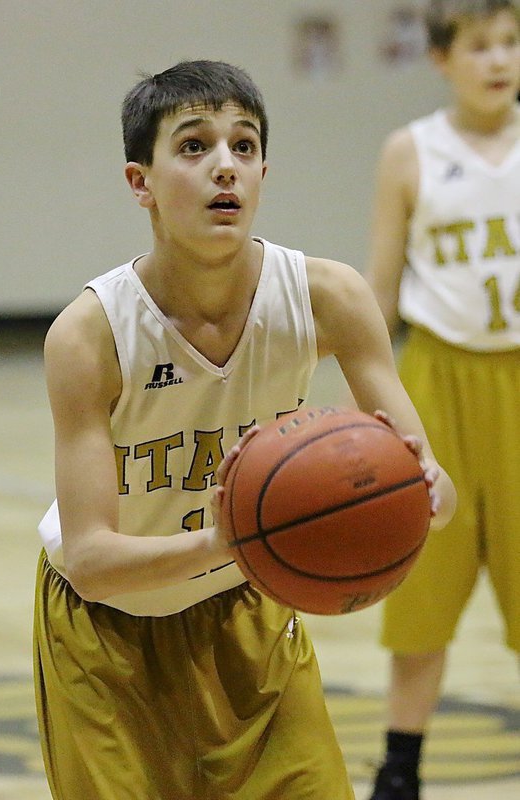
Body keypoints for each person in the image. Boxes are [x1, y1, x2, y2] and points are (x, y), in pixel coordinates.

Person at [32, 59, 456, 800]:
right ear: (142, 183)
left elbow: (434, 494)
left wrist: (421, 489)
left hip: (248, 610)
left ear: (263, 170)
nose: (224, 166)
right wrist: (224, 540)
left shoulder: (329, 297)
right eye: (193, 146)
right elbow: (94, 558)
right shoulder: (89, 335)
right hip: (105, 633)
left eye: (243, 145)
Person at [364, 3, 520, 799]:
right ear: (439, 58)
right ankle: (400, 770)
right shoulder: (409, 152)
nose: (497, 60)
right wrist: (361, 402)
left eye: (510, 43)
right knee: (423, 587)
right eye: (478, 45)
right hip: (436, 379)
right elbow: (379, 295)